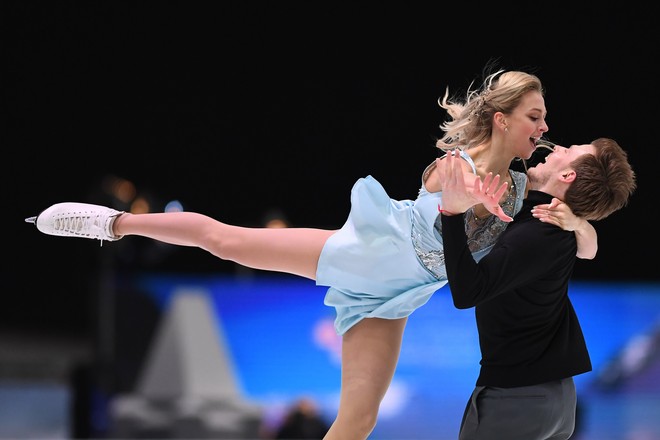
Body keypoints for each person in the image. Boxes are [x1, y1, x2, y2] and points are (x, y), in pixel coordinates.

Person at [25, 68, 598, 440]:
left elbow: (588, 246)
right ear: (501, 119)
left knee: (357, 423)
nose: (545, 126)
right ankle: (112, 223)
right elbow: (438, 182)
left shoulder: (521, 186)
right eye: (535, 116)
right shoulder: (462, 164)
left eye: (545, 118)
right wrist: (466, 196)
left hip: (398, 298)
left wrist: (577, 222)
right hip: (369, 254)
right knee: (227, 240)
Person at [436, 138, 636, 440]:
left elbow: (468, 292)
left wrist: (451, 213)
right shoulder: (554, 225)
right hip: (555, 399)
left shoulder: (539, 233)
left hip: (518, 399)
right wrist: (581, 224)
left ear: (568, 175)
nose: (556, 148)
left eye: (568, 151)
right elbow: (589, 249)